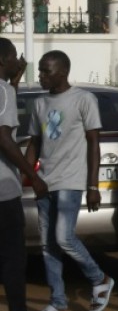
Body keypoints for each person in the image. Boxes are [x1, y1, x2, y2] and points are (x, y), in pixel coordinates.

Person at [26, 50, 115, 311]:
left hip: (71, 180)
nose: (41, 75)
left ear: (62, 73)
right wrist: (30, 175)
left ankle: (100, 279)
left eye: (46, 71)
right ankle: (58, 301)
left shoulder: (83, 99)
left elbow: (94, 143)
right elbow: (34, 142)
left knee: (64, 238)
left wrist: (93, 186)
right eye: (40, 70)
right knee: (48, 245)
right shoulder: (40, 103)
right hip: (45, 181)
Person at [0, 38, 45, 311]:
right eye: (14, 55)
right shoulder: (3, 91)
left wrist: (14, 83)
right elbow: (4, 137)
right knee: (13, 257)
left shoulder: (7, 90)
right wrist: (33, 175)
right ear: (3, 59)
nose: (19, 60)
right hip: (3, 192)